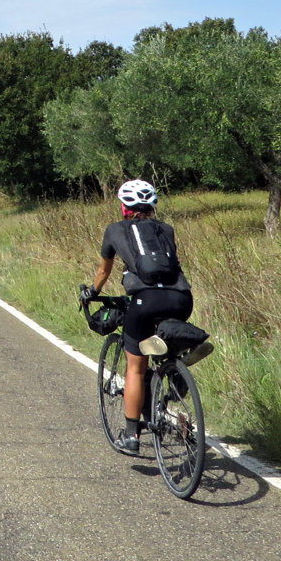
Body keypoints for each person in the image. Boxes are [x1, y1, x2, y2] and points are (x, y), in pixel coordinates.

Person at [89, 179, 209, 454]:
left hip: (145, 301)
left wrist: (91, 292)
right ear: (152, 206)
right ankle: (173, 367)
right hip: (181, 299)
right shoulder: (166, 229)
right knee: (161, 343)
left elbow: (104, 272)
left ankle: (131, 436)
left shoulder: (114, 230)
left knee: (135, 367)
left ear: (123, 207)